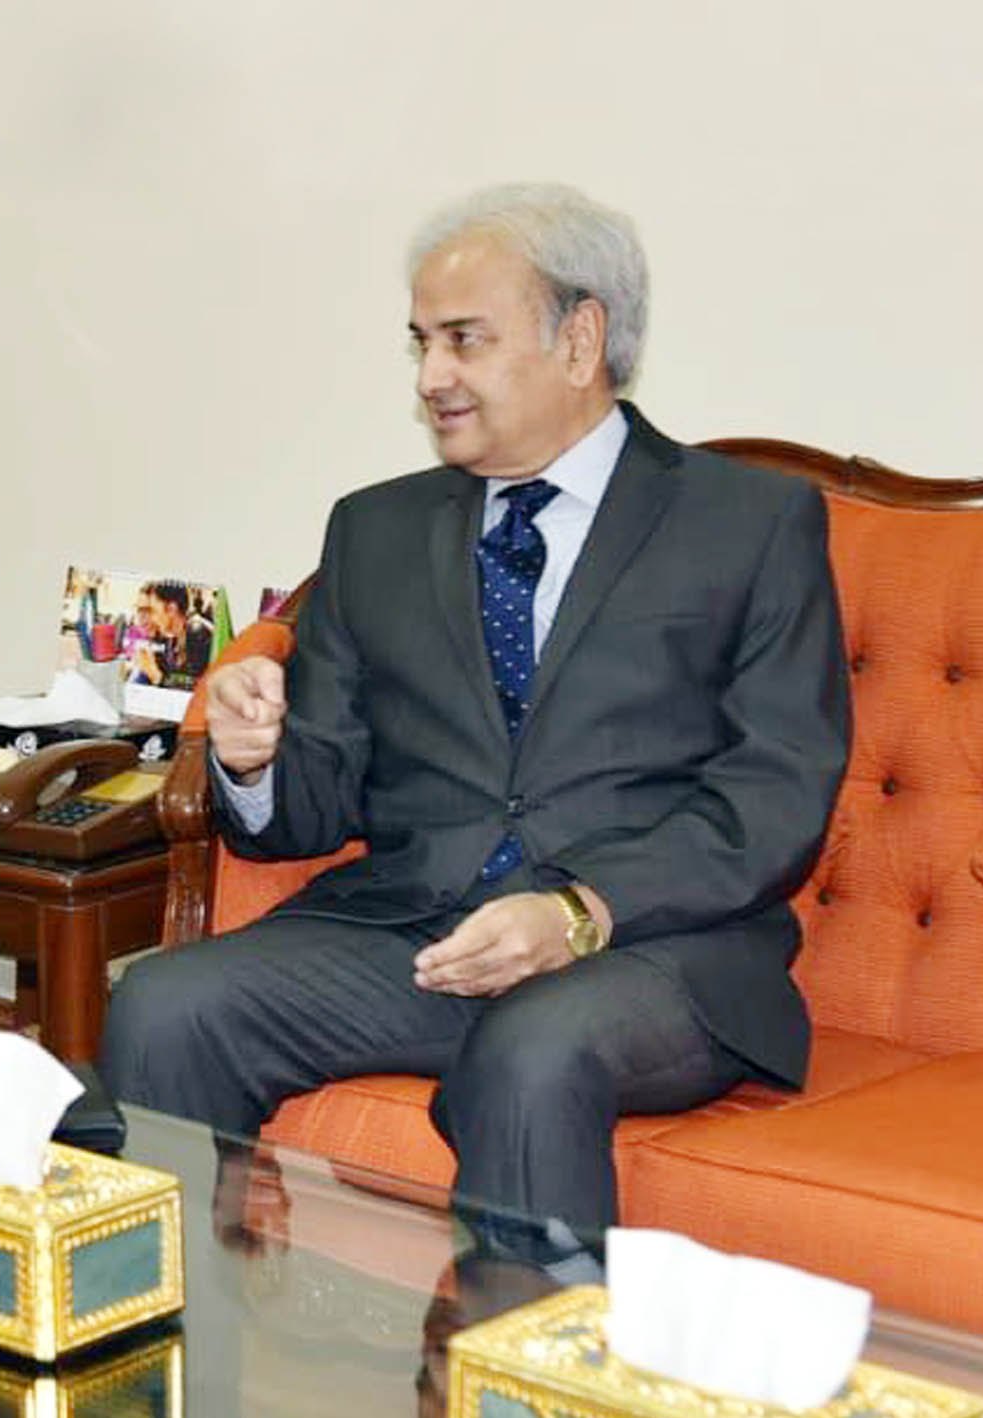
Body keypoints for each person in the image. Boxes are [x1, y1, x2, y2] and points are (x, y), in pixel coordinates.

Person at [97, 183, 849, 1265]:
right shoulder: (376, 531)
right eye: (420, 344)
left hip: (646, 953)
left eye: (463, 341)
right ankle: (184, 1417)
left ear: (580, 337)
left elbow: (776, 792)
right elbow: (313, 804)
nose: (430, 378)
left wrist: (580, 915)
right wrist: (257, 761)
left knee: (533, 1047)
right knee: (168, 1004)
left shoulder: (747, 523)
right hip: (415, 937)